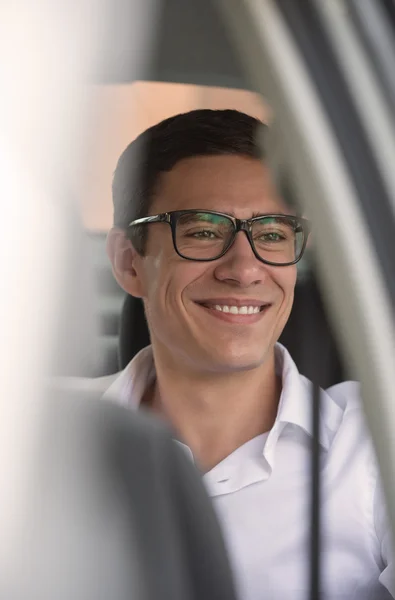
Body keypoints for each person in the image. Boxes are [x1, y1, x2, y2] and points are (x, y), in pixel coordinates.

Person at [90, 110, 393, 599]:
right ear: (130, 263)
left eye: (272, 234)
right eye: (204, 231)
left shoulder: (376, 437)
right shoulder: (32, 439)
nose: (246, 269)